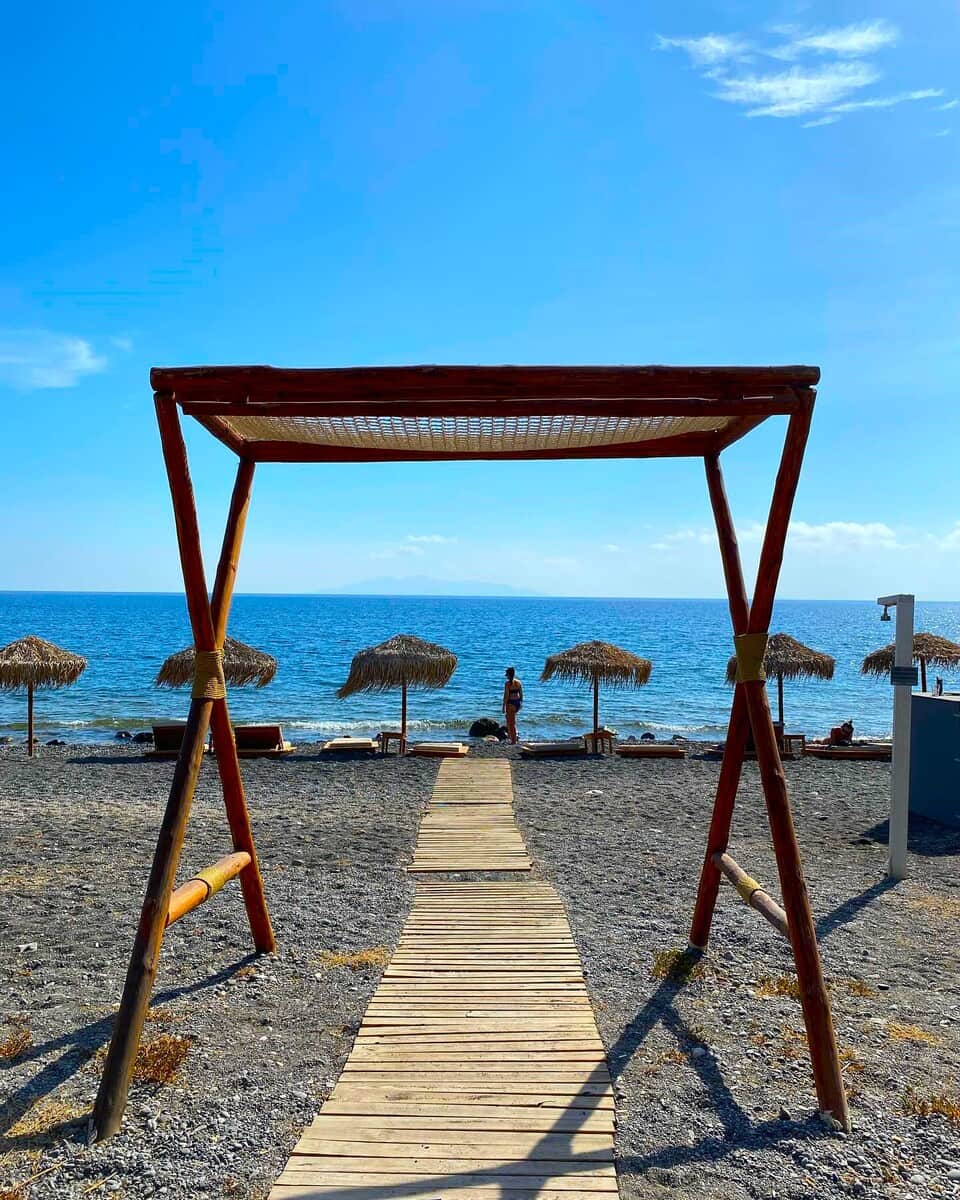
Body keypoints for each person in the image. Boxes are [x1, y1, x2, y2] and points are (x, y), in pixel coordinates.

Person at [502, 666, 523, 745]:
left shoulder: (507, 684)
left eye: (506, 674)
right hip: (517, 702)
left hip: (510, 703)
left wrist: (503, 706)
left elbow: (506, 696)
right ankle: (512, 737)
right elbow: (521, 694)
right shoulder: (518, 682)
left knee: (511, 723)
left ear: (509, 674)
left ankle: (513, 740)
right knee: (509, 720)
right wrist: (520, 703)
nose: (506, 675)